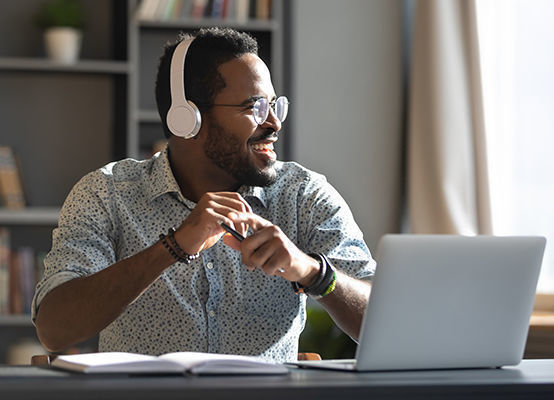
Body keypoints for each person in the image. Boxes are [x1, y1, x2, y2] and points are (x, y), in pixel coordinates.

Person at [32, 28, 374, 363]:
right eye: (254, 107)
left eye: (274, 105)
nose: (274, 123)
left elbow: (387, 317)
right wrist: (173, 247)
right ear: (188, 120)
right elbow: (54, 329)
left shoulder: (303, 195)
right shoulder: (107, 193)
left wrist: (314, 272)